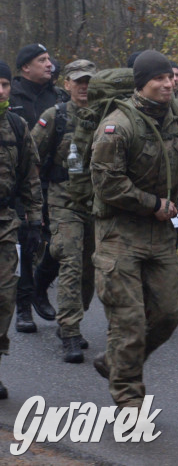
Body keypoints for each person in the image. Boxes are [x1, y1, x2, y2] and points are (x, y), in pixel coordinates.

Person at [90, 50, 178, 407]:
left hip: (162, 234)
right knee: (129, 321)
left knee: (169, 312)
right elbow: (107, 184)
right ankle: (128, 399)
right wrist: (153, 204)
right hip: (119, 234)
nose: (169, 84)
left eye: (170, 77)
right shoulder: (119, 125)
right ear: (142, 84)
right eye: (160, 79)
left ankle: (117, 362)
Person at [30, 59, 98, 362]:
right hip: (63, 200)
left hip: (96, 204)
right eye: (78, 81)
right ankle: (70, 331)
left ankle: (72, 318)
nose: (84, 87)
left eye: (89, 81)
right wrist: (32, 201)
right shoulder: (54, 117)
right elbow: (29, 159)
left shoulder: (107, 116)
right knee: (71, 259)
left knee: (89, 266)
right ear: (67, 84)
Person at [8, 44, 59, 334]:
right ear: (26, 67)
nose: (49, 64)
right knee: (26, 243)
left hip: (56, 182)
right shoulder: (12, 97)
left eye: (49, 59)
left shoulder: (57, 96)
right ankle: (24, 307)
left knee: (58, 241)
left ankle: (41, 285)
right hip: (22, 183)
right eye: (42, 60)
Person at [0, 60, 43, 397]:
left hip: (4, 222)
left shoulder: (16, 125)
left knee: (4, 296)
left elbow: (30, 176)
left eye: (3, 85)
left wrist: (33, 221)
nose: (0, 92)